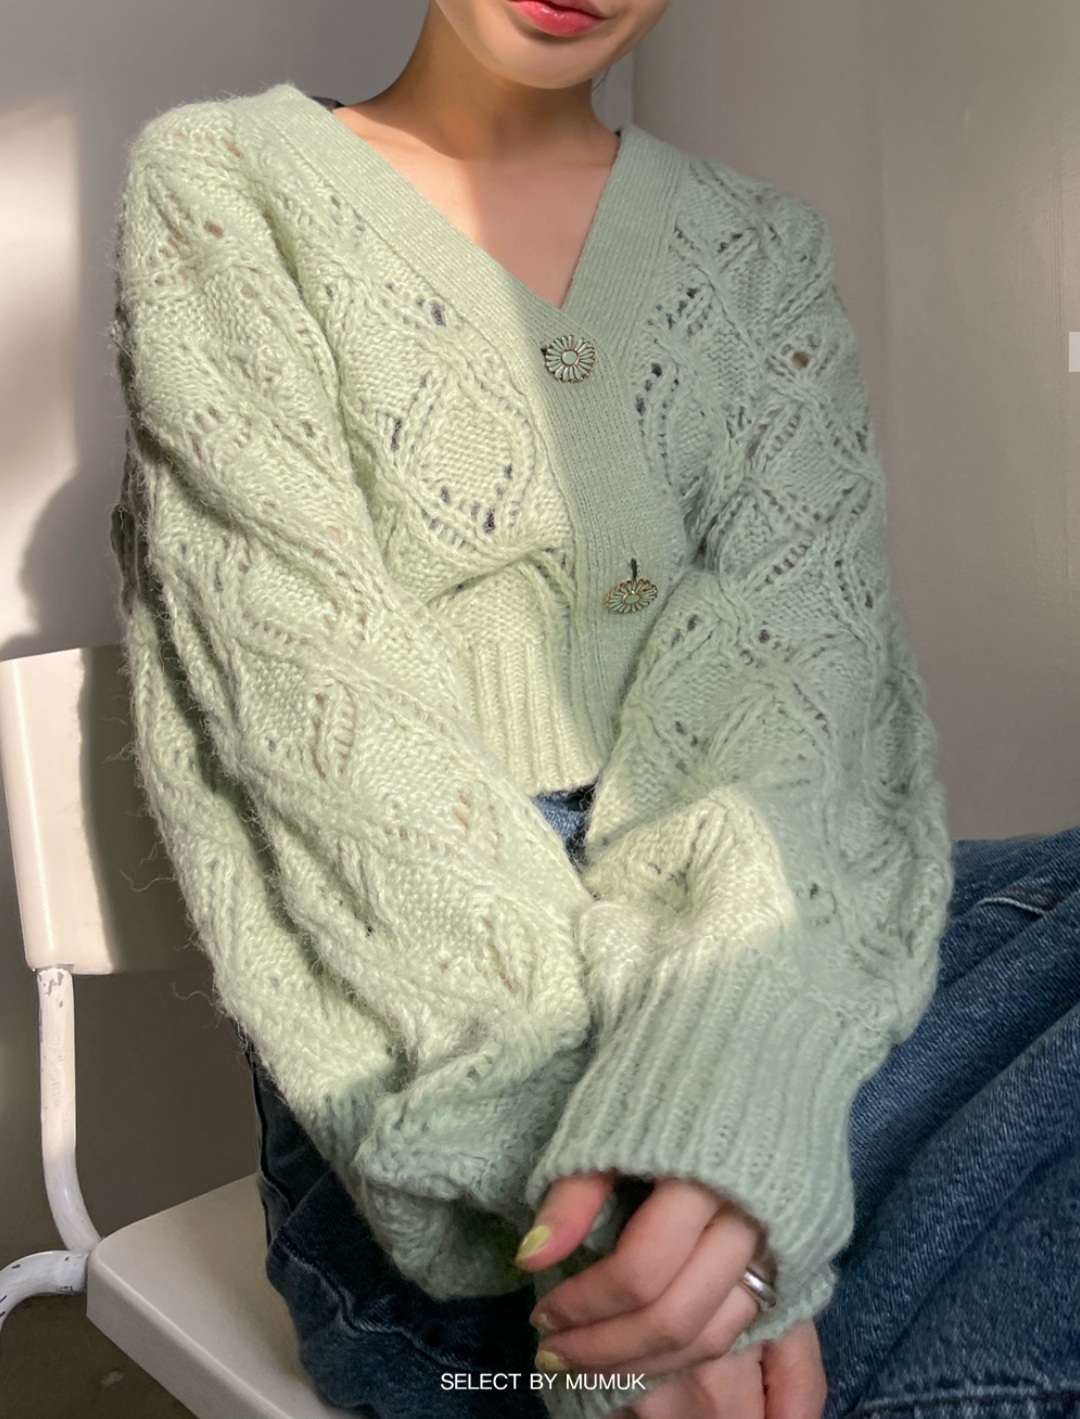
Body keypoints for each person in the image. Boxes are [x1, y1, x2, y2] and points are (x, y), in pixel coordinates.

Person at [104, 2, 1080, 1418]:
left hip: (747, 958)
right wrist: (626, 1220)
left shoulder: (760, 249)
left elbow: (806, 694)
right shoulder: (229, 186)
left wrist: (726, 1095)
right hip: (434, 1071)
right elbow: (320, 722)